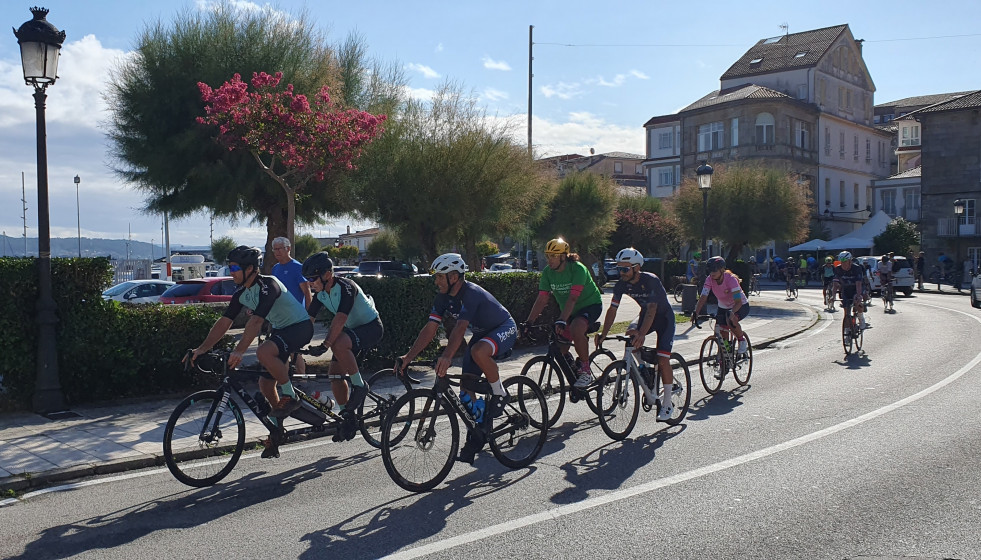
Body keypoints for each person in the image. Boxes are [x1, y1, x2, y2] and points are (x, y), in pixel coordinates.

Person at [187, 245, 313, 458]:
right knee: (265, 384)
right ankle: (277, 429)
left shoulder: (268, 285)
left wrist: (239, 351)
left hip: (300, 327)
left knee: (263, 352)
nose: (231, 272)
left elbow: (256, 321)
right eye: (229, 267)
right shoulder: (242, 294)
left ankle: (291, 396)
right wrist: (201, 349)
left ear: (251, 269)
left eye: (235, 267)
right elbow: (224, 322)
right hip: (282, 331)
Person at [398, 253, 517, 465]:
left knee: (478, 351)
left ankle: (500, 392)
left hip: (503, 328)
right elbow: (430, 329)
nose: (435, 281)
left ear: (453, 277)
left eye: (439, 277)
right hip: (482, 334)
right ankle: (479, 432)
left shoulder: (470, 293)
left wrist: (446, 356)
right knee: (465, 392)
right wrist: (408, 357)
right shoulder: (442, 297)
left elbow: (460, 328)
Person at [302, 252, 384, 441]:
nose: (310, 283)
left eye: (313, 278)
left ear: (327, 275)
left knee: (337, 343)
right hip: (352, 332)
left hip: (371, 327)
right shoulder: (321, 294)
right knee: (335, 376)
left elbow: (340, 319)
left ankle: (359, 385)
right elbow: (308, 320)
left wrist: (325, 345)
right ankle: (346, 418)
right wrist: (294, 342)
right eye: (307, 279)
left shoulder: (347, 287)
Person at [595, 248, 677, 421]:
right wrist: (604, 333)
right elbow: (613, 309)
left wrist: (642, 333)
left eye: (625, 269)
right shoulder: (621, 284)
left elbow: (652, 309)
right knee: (630, 337)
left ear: (636, 267)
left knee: (663, 358)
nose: (621, 273)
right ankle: (643, 367)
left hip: (663, 318)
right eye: (619, 269)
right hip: (645, 314)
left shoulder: (651, 280)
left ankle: (667, 403)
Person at [525, 238, 604, 389]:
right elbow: (542, 299)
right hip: (569, 311)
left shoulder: (578, 269)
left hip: (590, 305)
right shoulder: (548, 272)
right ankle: (575, 369)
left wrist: (562, 319)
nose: (549, 260)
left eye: (553, 256)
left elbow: (573, 298)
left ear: (563, 256)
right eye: (547, 256)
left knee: (576, 327)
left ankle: (586, 370)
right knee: (560, 349)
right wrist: (529, 322)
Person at [691, 256, 750, 357]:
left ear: (722, 269)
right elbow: (703, 297)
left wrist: (732, 313)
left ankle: (741, 340)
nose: (712, 273)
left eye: (714, 270)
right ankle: (726, 354)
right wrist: (696, 312)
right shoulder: (709, 280)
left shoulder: (731, 279)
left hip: (740, 305)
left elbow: (738, 302)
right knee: (720, 330)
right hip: (723, 306)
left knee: (730, 321)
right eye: (710, 270)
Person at [271, 236, 313, 375]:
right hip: (280, 318)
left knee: (295, 352)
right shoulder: (275, 269)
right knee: (281, 351)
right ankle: (285, 383)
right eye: (274, 249)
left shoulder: (297, 268)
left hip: (296, 317)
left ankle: (302, 379)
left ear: (288, 249)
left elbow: (307, 293)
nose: (277, 252)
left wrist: (309, 316)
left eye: (279, 249)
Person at [833, 251, 867, 334]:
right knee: (846, 312)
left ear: (850, 261)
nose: (843, 264)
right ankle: (847, 331)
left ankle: (861, 317)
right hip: (846, 289)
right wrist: (833, 296)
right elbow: (835, 284)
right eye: (842, 262)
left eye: (845, 262)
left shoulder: (856, 268)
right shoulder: (838, 269)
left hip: (856, 288)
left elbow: (858, 284)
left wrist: (859, 295)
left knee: (857, 302)